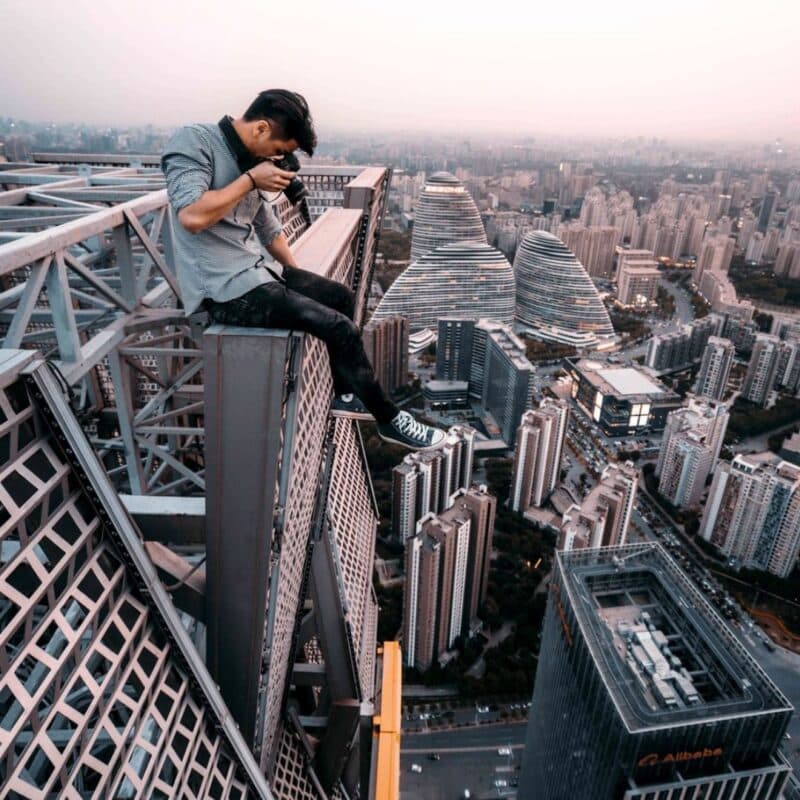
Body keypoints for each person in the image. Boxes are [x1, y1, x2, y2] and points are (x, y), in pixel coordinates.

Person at [161, 89, 444, 450]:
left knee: (339, 297)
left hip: (258, 273)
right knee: (337, 327)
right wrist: (250, 180)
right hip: (220, 290)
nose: (279, 159)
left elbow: (267, 228)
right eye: (279, 150)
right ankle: (390, 420)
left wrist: (297, 280)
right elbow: (191, 217)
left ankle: (342, 395)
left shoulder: (250, 160)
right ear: (261, 128)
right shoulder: (194, 142)